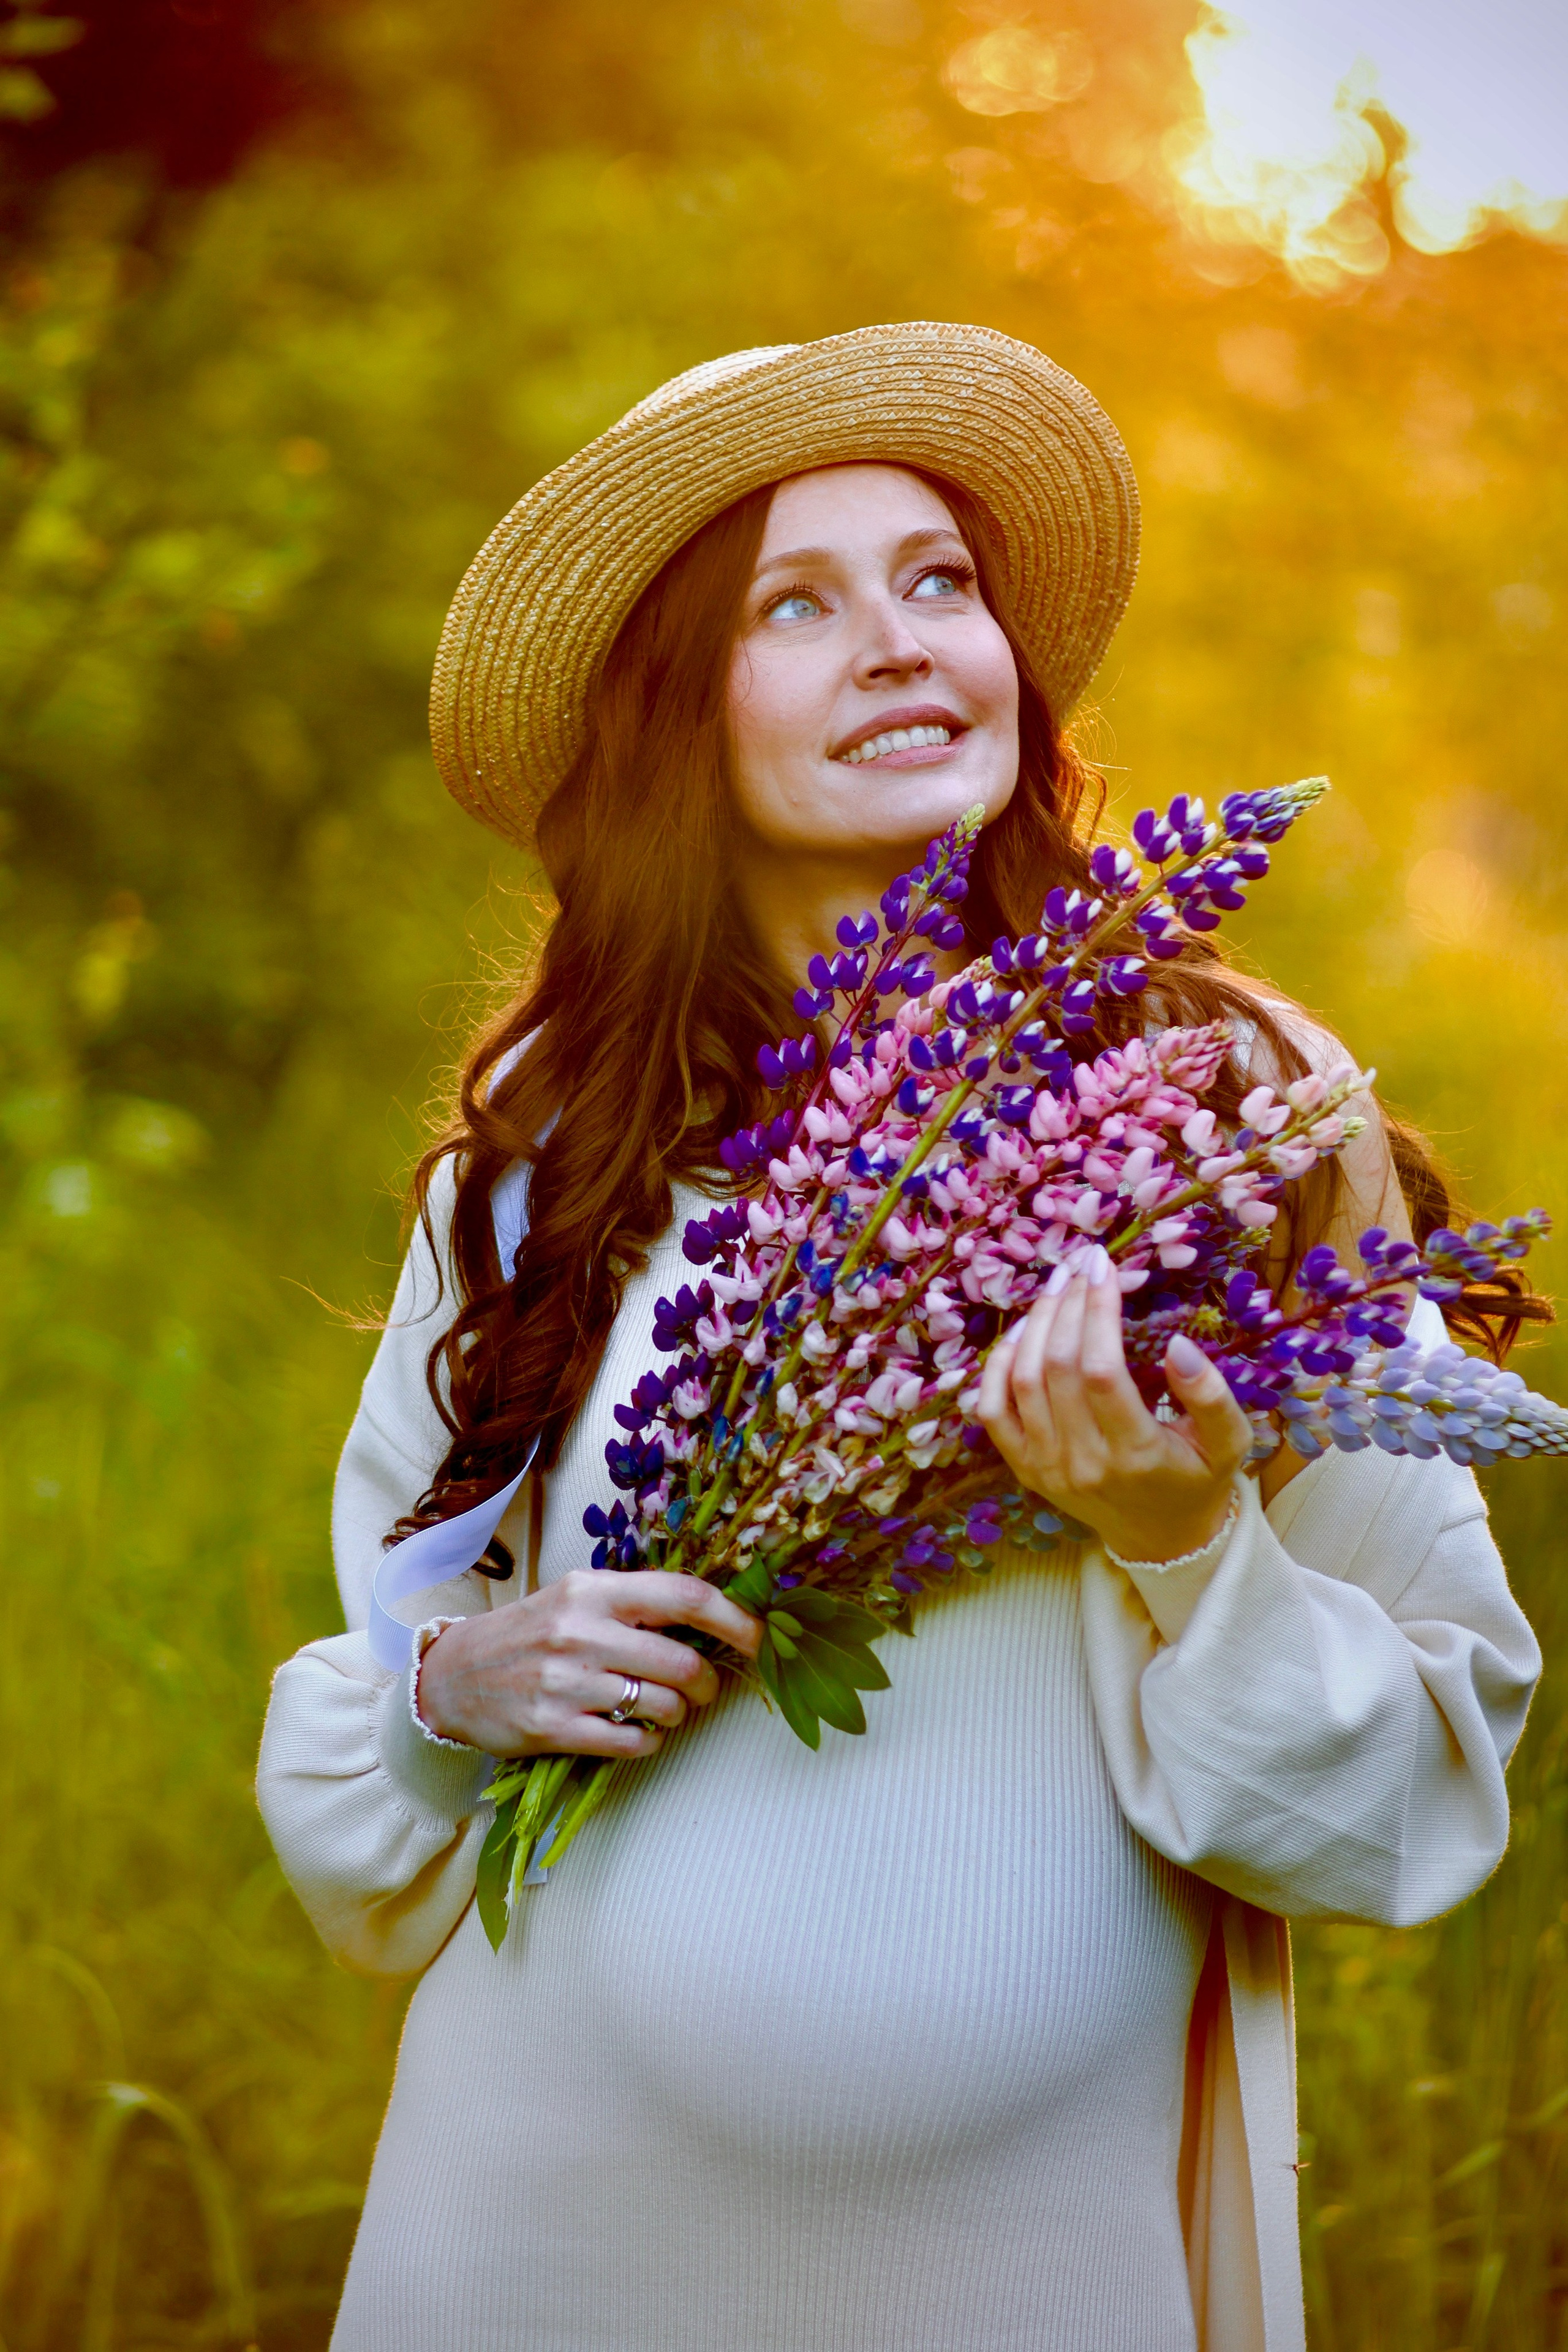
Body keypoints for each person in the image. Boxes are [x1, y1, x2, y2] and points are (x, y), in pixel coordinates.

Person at [257, 323, 1540, 2352]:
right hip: (540, 2235)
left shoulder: (1227, 1105)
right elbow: (373, 1825)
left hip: (1040, 2272)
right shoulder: (535, 1175)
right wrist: (450, 1687)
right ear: (675, 716)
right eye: (800, 602)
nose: (900, 640)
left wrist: (1182, 1538)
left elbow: (1408, 1795)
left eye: (940, 581)